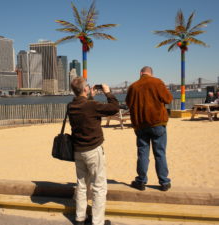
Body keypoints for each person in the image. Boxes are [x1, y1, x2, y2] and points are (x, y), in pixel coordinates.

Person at [68, 77, 119, 225]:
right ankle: (97, 222)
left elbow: (84, 106)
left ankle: (80, 218)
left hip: (78, 151)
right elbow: (114, 107)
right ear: (85, 89)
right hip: (93, 150)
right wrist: (108, 92)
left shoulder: (71, 106)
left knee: (82, 185)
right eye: (88, 87)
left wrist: (89, 95)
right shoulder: (91, 105)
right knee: (99, 186)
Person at [125, 66, 173, 192]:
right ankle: (164, 182)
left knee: (142, 154)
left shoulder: (133, 87)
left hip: (140, 125)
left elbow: (128, 103)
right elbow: (168, 99)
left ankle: (141, 181)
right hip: (157, 123)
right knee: (160, 153)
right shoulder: (157, 82)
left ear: (140, 73)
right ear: (151, 73)